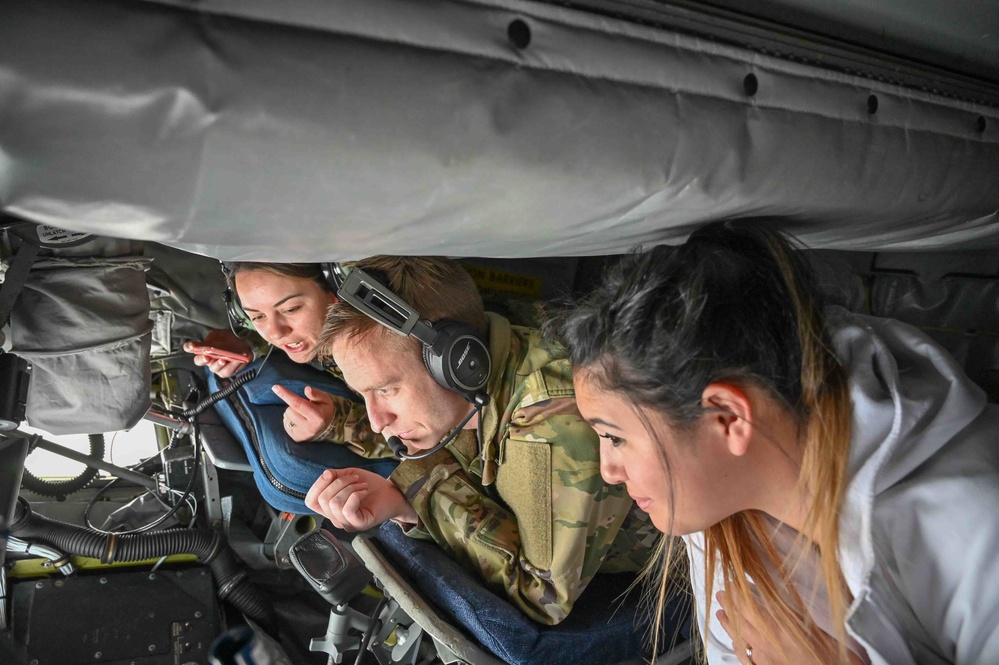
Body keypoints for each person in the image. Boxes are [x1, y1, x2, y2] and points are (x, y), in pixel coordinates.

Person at [549, 220, 999, 664]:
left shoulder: (976, 524)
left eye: (613, 436)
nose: (608, 468)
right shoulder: (716, 501)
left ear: (728, 417)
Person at [304, 256, 659, 626]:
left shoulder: (551, 420)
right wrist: (340, 424)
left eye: (387, 390)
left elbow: (541, 595)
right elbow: (445, 442)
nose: (378, 422)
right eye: (364, 395)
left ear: (459, 361)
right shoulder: (480, 373)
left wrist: (415, 496)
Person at [184, 262, 391, 459]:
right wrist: (248, 345)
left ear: (336, 289)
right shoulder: (311, 332)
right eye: (257, 317)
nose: (275, 333)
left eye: (290, 309)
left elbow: (419, 442)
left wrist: (340, 423)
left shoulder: (387, 348)